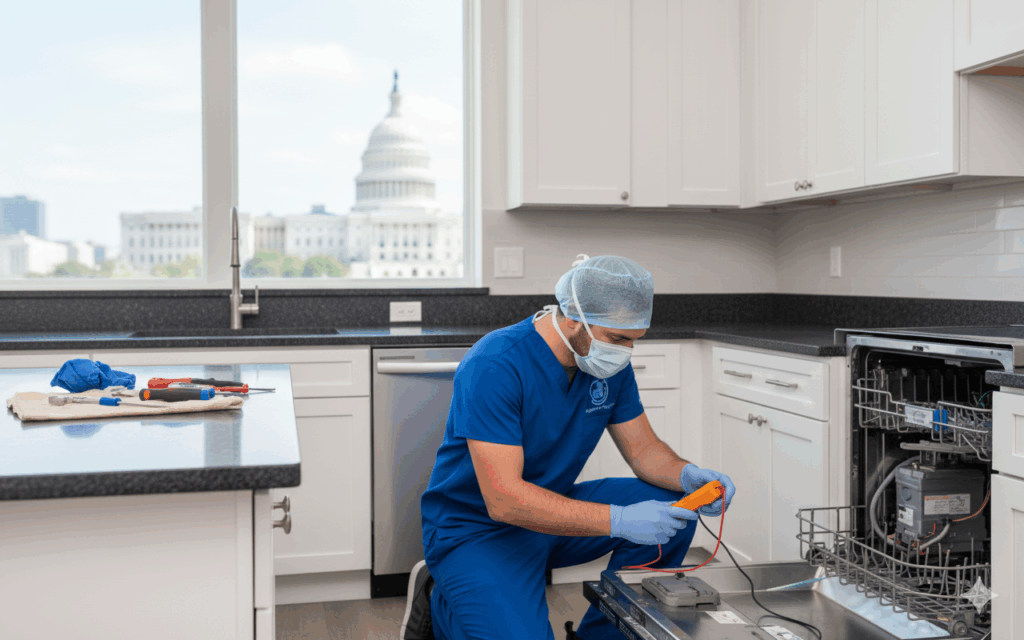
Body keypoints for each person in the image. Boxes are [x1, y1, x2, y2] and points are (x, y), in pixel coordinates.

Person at [400, 254, 736, 640]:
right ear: (573, 317)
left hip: (550, 513)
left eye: (633, 340)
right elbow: (505, 500)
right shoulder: (495, 363)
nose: (627, 352)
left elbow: (644, 452)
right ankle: (441, 601)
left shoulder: (604, 362)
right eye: (618, 339)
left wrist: (688, 476)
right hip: (477, 530)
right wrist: (620, 521)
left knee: (674, 503)